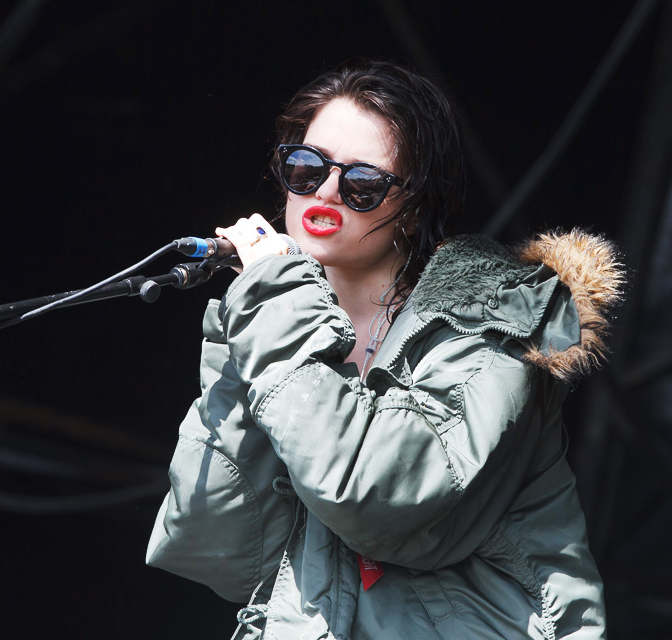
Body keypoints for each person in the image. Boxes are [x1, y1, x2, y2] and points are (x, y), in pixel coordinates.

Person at [146, 59, 621, 639]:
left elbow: (377, 500)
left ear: (415, 204)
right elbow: (216, 543)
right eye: (305, 167)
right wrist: (252, 322)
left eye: (362, 183)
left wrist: (275, 308)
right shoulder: (270, 317)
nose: (324, 191)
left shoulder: (495, 317)